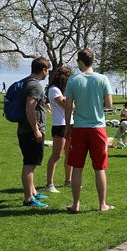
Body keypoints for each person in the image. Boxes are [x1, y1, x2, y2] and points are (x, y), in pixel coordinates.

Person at [63, 48, 114, 213]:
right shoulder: (102, 79)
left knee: (77, 167)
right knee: (99, 168)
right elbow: (109, 105)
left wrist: (67, 127)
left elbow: (68, 106)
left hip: (79, 127)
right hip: (98, 128)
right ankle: (102, 204)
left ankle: (76, 204)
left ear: (80, 62)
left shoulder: (73, 80)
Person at [18, 58, 51, 208]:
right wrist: (36, 130)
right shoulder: (35, 86)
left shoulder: (27, 82)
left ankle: (33, 192)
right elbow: (29, 108)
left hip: (26, 129)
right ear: (43, 70)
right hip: (31, 131)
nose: (48, 73)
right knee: (29, 164)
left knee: (31, 163)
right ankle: (28, 199)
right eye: (47, 70)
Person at [45, 66, 74, 194]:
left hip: (71, 124)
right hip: (60, 125)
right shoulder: (54, 90)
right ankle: (49, 183)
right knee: (56, 155)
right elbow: (68, 105)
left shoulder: (64, 91)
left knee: (70, 154)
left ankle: (68, 181)